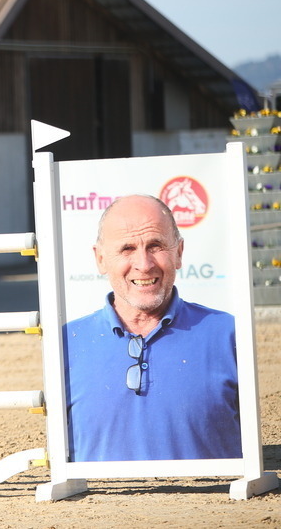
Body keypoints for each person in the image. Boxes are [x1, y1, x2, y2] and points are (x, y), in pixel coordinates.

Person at [63, 194, 241, 462]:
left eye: (156, 246)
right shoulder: (65, 344)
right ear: (100, 259)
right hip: (99, 504)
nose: (144, 264)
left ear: (178, 253)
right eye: (127, 249)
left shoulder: (229, 334)